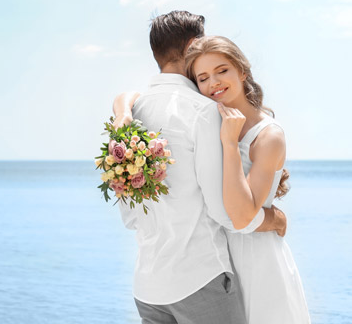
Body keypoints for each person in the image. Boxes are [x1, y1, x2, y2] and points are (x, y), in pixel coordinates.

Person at [116, 32, 311, 323]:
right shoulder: (209, 119)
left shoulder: (268, 135)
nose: (213, 83)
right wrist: (122, 109)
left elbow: (242, 216)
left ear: (242, 70)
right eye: (203, 78)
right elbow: (134, 96)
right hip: (217, 260)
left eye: (222, 71)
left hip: (256, 260)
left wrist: (231, 145)